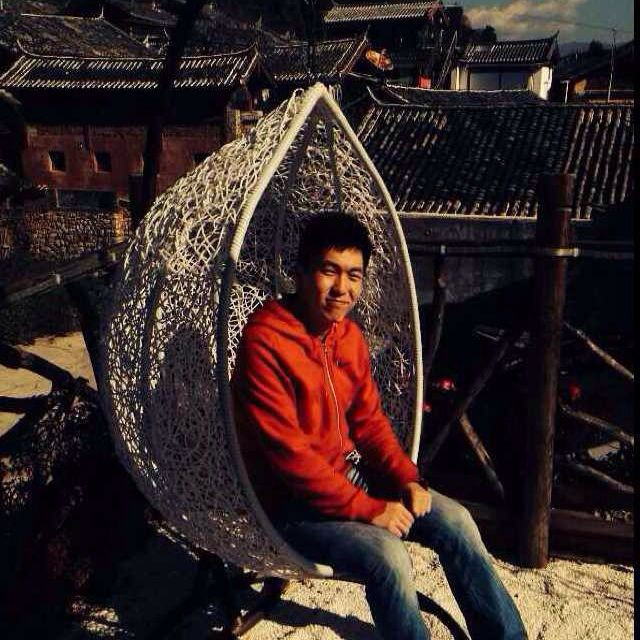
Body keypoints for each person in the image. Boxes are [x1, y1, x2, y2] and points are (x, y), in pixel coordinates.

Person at [231, 213, 527, 640]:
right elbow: (291, 459)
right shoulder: (266, 340)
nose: (342, 288)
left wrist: (407, 478)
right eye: (329, 271)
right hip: (288, 505)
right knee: (387, 555)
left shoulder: (347, 337)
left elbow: (369, 424)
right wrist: (371, 509)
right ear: (300, 273)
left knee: (457, 520)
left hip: (346, 477)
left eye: (354, 275)